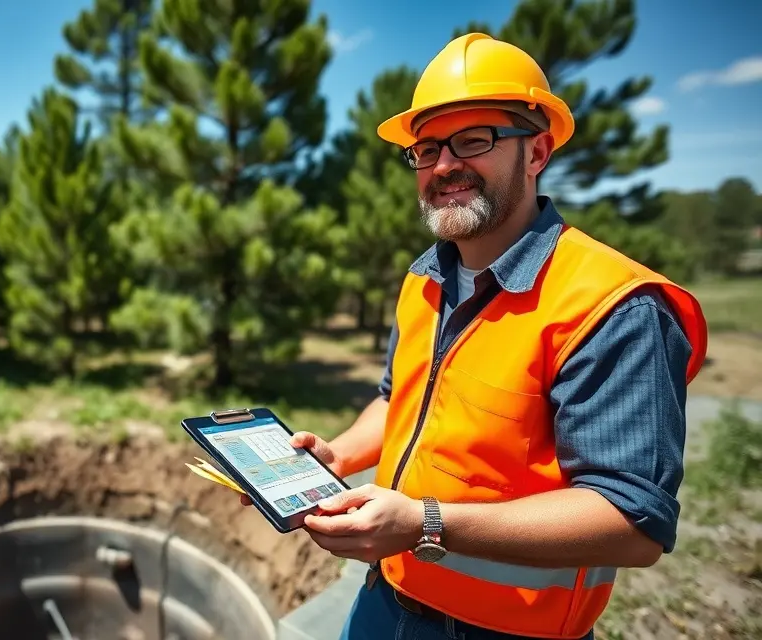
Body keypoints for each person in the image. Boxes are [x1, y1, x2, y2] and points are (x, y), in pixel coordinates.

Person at [246, 33, 709, 639]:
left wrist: (424, 523)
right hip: (387, 598)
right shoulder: (426, 278)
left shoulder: (613, 306)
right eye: (427, 148)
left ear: (538, 151)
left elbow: (632, 522)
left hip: (509, 631)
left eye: (473, 140)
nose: (443, 166)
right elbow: (400, 401)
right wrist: (338, 455)